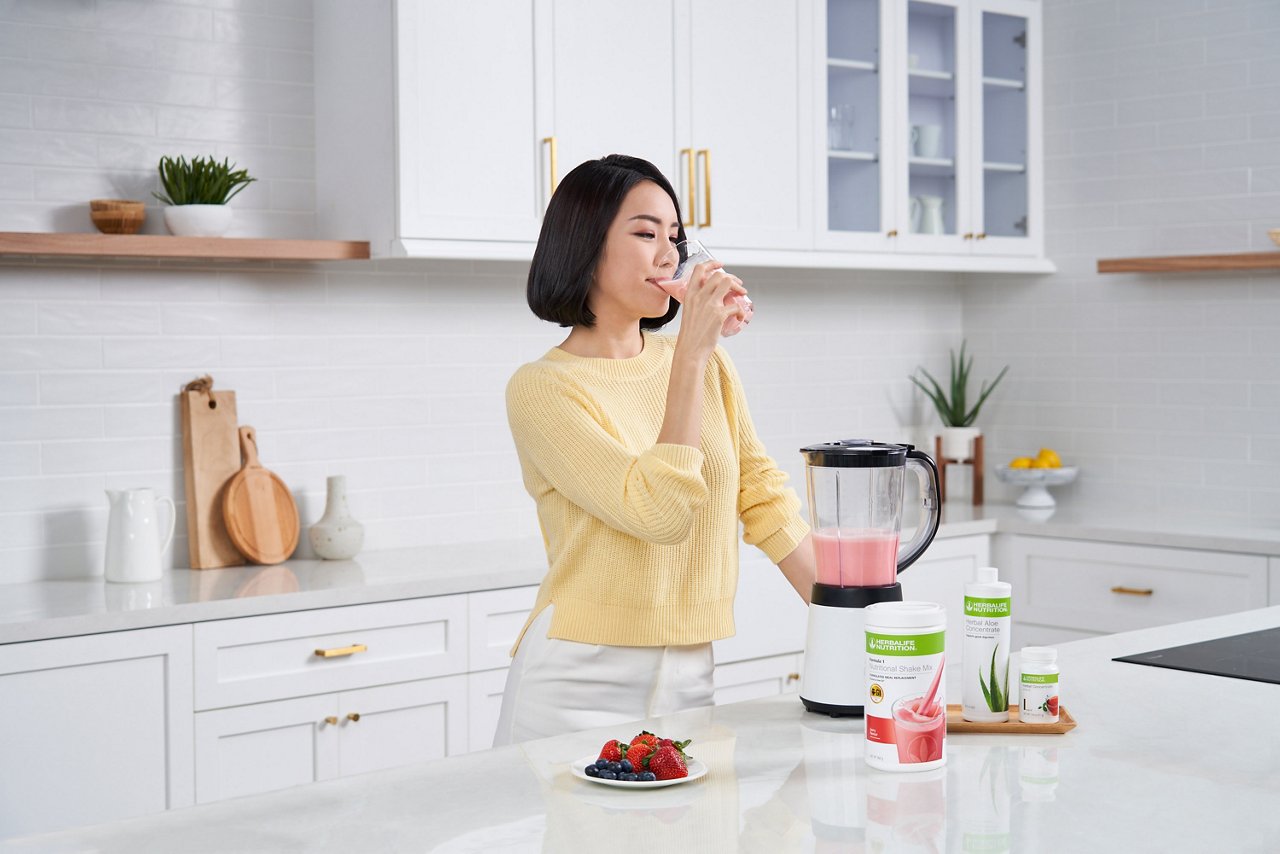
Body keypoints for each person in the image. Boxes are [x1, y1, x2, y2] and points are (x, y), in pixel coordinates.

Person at [494, 154, 816, 746]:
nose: (670, 254)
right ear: (585, 246)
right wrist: (692, 351)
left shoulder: (705, 363)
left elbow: (761, 496)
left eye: (675, 236)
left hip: (691, 673)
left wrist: (851, 619)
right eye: (645, 234)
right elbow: (658, 513)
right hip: (576, 680)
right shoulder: (542, 389)